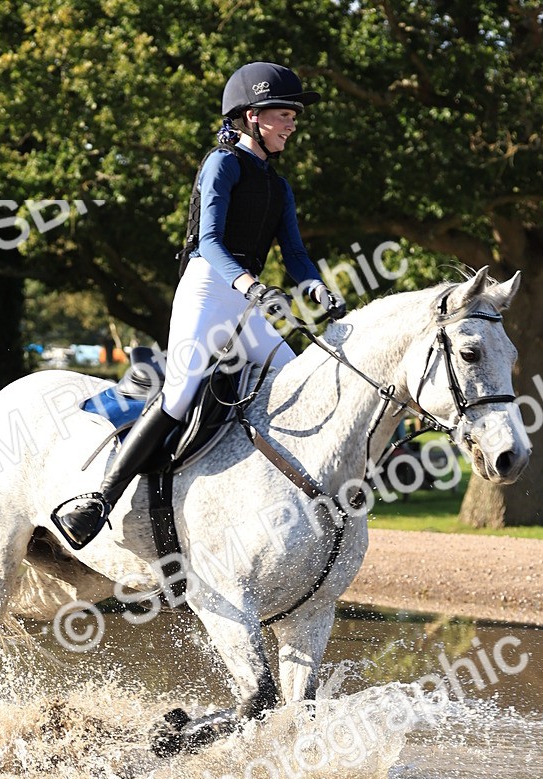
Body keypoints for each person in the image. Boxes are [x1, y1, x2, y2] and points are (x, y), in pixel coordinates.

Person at [52, 61, 345, 550]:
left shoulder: (278, 185)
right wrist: (249, 283)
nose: (293, 123)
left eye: (294, 115)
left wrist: (314, 285)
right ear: (252, 115)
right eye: (285, 114)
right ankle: (99, 500)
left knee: (295, 377)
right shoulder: (223, 163)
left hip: (247, 299)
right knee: (180, 393)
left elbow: (293, 252)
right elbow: (208, 241)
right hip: (210, 287)